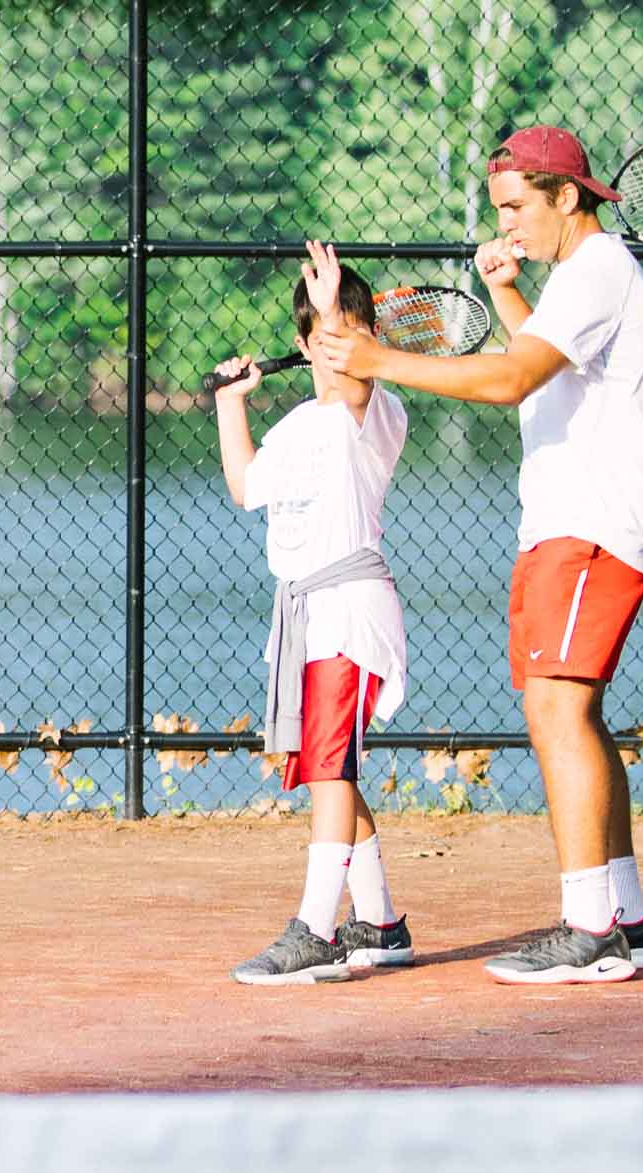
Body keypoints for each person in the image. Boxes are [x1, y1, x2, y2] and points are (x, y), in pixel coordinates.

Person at [306, 126, 643, 985]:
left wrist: (376, 358)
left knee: (556, 709)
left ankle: (592, 928)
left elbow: (509, 381)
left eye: (516, 207)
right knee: (572, 708)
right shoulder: (583, 281)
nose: (506, 225)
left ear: (567, 197)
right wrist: (509, 295)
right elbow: (543, 363)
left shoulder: (596, 271)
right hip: (576, 520)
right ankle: (629, 915)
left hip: (594, 521)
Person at [210, 240, 417, 985]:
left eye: (356, 333)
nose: (340, 348)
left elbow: (354, 384)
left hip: (349, 611)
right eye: (325, 337)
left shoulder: (374, 412)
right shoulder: (300, 423)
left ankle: (314, 931)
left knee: (332, 769)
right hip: (303, 616)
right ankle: (381, 923)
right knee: (333, 772)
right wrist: (230, 403)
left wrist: (334, 311)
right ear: (303, 346)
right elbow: (245, 486)